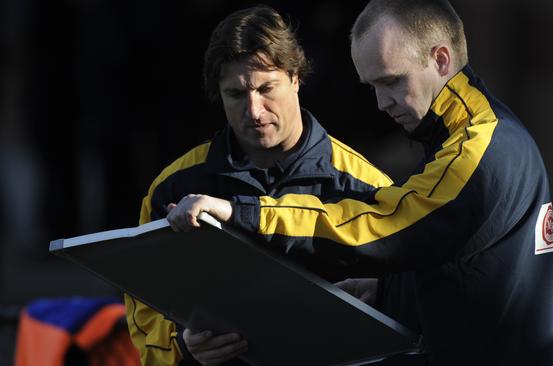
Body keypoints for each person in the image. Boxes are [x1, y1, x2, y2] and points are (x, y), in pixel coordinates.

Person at [168, 0, 553, 364]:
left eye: (391, 81)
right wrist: (390, 294)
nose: (381, 102)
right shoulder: (472, 139)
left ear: (441, 59)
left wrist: (243, 213)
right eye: (372, 86)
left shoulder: (480, 150)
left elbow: (384, 225)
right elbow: (460, 263)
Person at [126, 5, 394, 366]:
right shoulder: (174, 187)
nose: (254, 110)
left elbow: (402, 312)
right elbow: (143, 308)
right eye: (235, 94)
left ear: (296, 78)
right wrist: (181, 346)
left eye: (266, 88)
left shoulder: (366, 186)